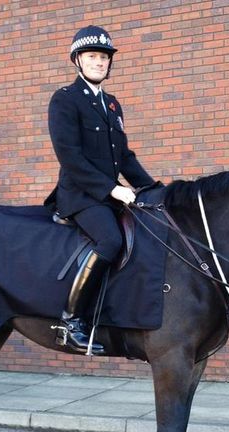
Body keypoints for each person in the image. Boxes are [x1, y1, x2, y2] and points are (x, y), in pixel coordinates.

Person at [46, 25, 155, 354]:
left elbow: (123, 156)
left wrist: (152, 188)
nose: (99, 62)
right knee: (110, 239)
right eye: (92, 56)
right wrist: (112, 189)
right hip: (80, 196)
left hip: (109, 196)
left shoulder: (112, 105)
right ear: (78, 61)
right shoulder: (64, 100)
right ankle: (71, 321)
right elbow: (70, 158)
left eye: (104, 57)